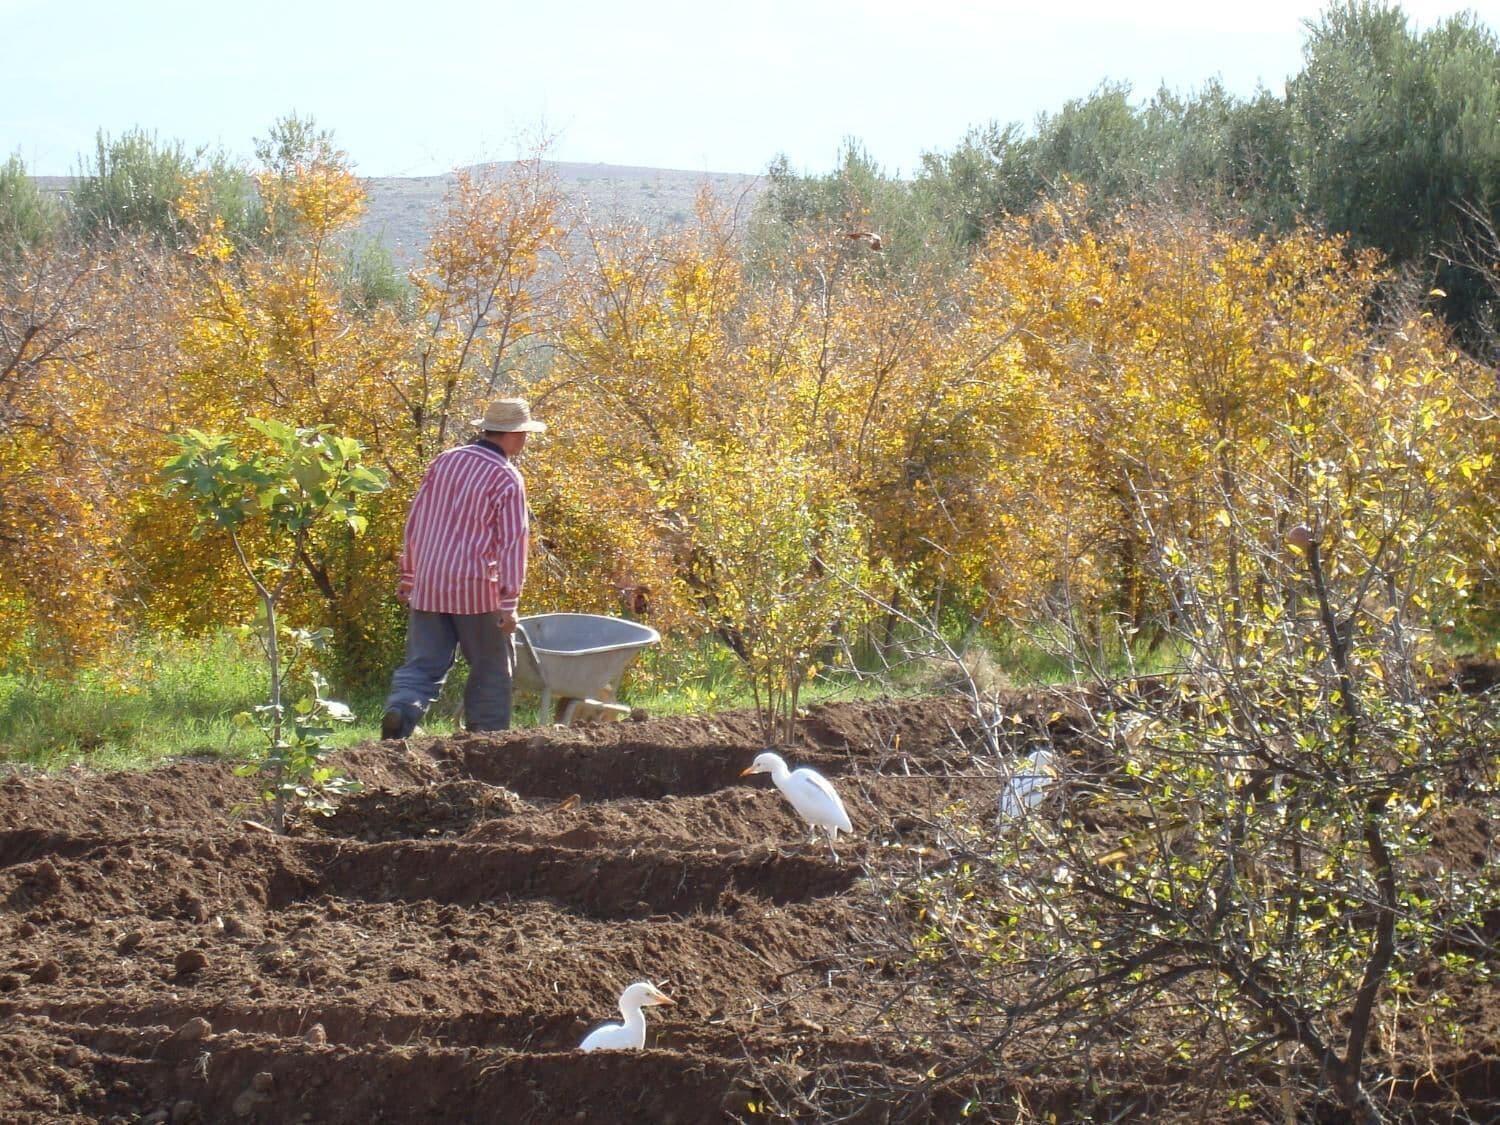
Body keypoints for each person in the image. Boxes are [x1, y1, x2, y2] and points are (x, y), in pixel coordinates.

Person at [380, 398, 545, 739]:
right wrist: (508, 603)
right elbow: (512, 543)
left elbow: (418, 519)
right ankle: (487, 740)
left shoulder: (446, 461)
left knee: (422, 664)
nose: (526, 441)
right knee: (492, 667)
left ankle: (401, 710)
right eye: (525, 434)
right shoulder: (507, 476)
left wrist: (409, 575)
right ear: (513, 436)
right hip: (476, 587)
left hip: (429, 581)